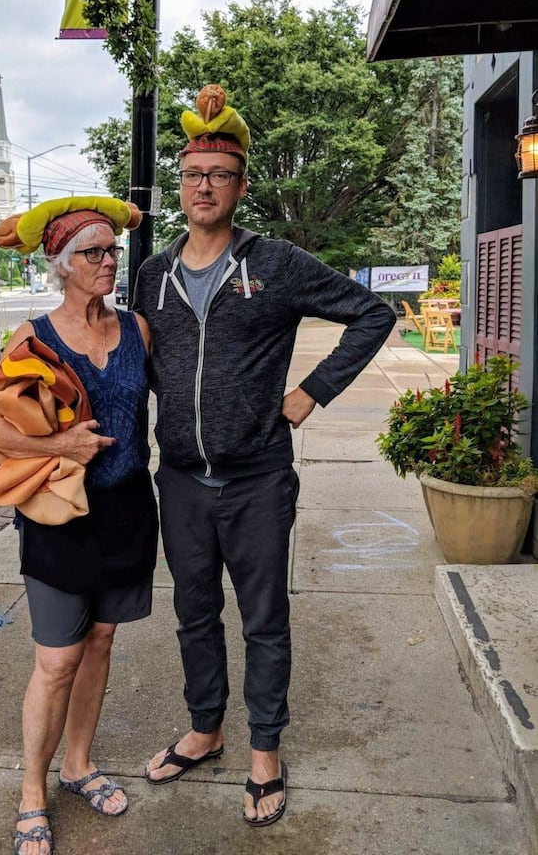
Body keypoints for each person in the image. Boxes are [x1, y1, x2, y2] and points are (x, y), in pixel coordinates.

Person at [133, 84, 396, 826]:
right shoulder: (152, 275)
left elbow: (371, 313)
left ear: (241, 186)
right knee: (191, 614)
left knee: (262, 620)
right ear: (179, 185)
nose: (204, 185)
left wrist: (311, 391)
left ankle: (264, 754)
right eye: (192, 174)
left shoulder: (273, 263)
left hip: (255, 480)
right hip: (180, 479)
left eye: (219, 173)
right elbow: (133, 361)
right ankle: (205, 729)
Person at [0, 198, 158, 855]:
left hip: (130, 511)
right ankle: (33, 790)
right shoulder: (33, 339)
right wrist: (57, 448)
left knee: (102, 641)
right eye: (93, 253)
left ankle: (77, 764)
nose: (108, 261)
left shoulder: (137, 330)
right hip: (61, 518)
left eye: (112, 250)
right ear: (61, 265)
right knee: (56, 660)